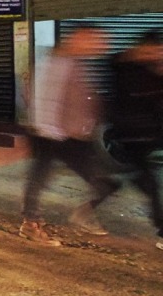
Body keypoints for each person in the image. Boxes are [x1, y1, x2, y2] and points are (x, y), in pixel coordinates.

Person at [21, 27, 121, 246]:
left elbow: (81, 100)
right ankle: (31, 224)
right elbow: (44, 101)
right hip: (53, 136)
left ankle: (80, 215)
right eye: (94, 41)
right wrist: (47, 131)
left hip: (70, 137)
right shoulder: (54, 64)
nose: (99, 46)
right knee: (39, 178)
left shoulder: (74, 64)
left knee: (105, 183)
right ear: (78, 39)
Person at [108, 30, 163, 252]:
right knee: (151, 185)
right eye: (150, 51)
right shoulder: (125, 69)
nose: (155, 55)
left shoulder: (154, 71)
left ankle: (106, 184)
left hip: (153, 135)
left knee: (146, 182)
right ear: (140, 49)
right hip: (131, 138)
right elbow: (114, 63)